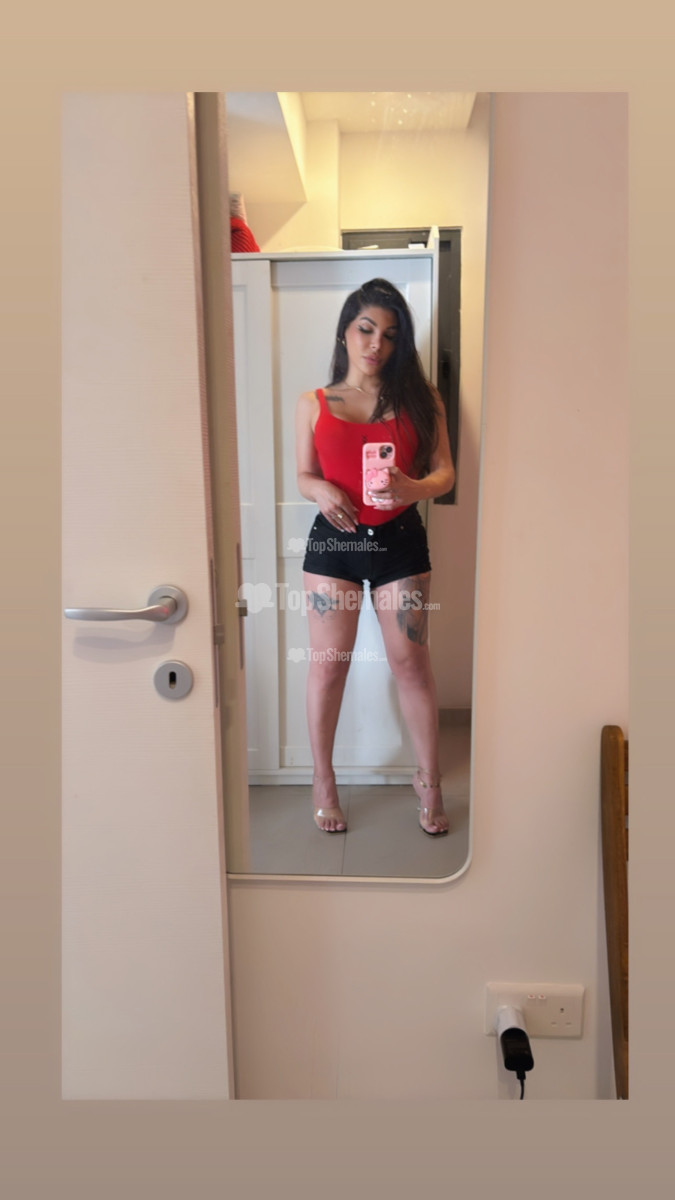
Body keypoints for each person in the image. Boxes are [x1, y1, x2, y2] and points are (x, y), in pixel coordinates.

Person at [295, 278, 455, 836]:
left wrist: (413, 487)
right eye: (366, 329)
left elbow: (445, 472)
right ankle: (323, 780)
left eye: (389, 335)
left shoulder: (421, 399)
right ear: (345, 330)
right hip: (334, 543)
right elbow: (303, 475)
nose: (376, 344)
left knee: (410, 662)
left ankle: (429, 780)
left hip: (399, 539)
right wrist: (319, 489)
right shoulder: (314, 403)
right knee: (328, 666)